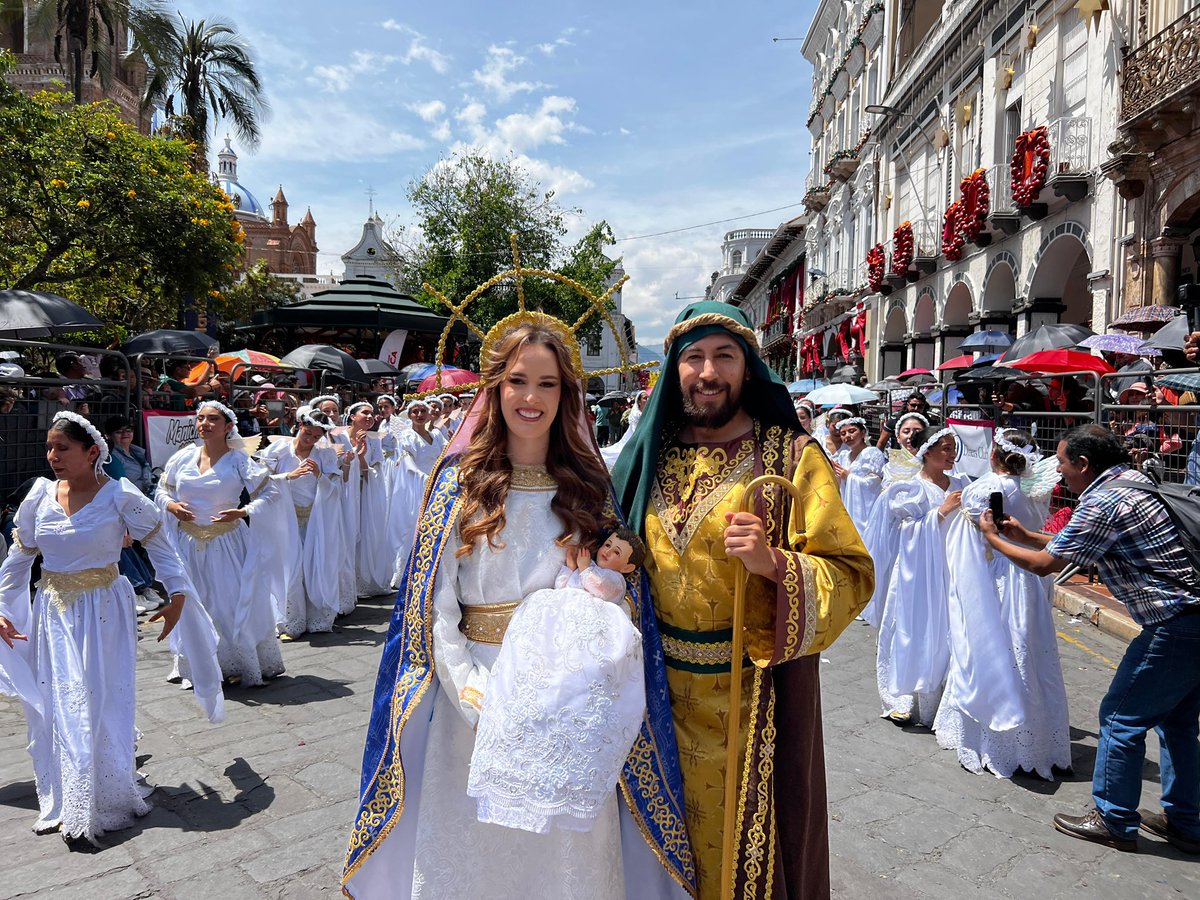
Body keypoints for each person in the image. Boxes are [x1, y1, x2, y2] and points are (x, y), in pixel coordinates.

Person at [345, 319, 693, 900]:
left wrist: (593, 641)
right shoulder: (458, 483)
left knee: (563, 862)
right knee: (476, 859)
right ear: (496, 387)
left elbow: (622, 592)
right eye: (518, 381)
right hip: (477, 698)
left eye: (548, 384)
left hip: (569, 704)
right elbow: (432, 607)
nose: (531, 397)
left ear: (566, 394)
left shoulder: (588, 486)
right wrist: (471, 691)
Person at [612, 301, 875, 899]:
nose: (708, 372)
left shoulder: (791, 456)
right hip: (651, 693)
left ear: (748, 367)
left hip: (751, 697)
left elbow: (852, 572)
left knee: (740, 851)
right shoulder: (649, 454)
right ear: (675, 370)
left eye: (724, 357)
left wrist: (774, 564)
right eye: (695, 358)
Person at [0, 412, 223, 844]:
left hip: (104, 610)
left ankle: (103, 791)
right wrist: (2, 606)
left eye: (63, 448)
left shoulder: (120, 495)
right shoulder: (39, 496)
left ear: (91, 452)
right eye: (49, 448)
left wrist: (177, 594)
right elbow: (19, 558)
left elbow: (161, 547)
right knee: (64, 698)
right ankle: (76, 799)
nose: (53, 456)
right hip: (53, 611)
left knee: (99, 698)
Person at [980, 425, 1200, 853]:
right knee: (1176, 723)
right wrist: (1024, 536)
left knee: (1119, 718)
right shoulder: (1132, 481)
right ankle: (1184, 821)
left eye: (1062, 464)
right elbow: (1080, 545)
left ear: (1083, 463)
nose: (1059, 473)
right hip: (1192, 619)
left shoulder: (1103, 501)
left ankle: (1113, 819)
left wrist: (992, 538)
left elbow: (1044, 565)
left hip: (1173, 624)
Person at [467, 527, 647, 834]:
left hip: (586, 631)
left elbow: (600, 590)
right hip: (558, 625)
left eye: (616, 552)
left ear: (628, 567)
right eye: (607, 544)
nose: (607, 551)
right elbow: (564, 585)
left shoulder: (614, 581)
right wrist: (570, 568)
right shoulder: (590, 569)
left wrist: (584, 568)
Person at [934, 429, 1071, 779]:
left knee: (994, 647)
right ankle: (1036, 739)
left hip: (997, 576)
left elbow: (970, 534)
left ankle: (998, 737)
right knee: (1031, 651)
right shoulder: (1033, 488)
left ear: (993, 453)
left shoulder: (985, 489)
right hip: (1030, 576)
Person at [155, 400, 293, 687]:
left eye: (212, 419)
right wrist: (172, 506)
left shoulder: (238, 460)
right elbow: (161, 491)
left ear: (228, 426)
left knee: (230, 603)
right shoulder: (182, 457)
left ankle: (237, 662)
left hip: (227, 542)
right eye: (201, 418)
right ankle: (200, 665)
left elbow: (270, 493)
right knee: (194, 602)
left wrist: (243, 511)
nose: (204, 424)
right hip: (188, 542)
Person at [860, 426, 966, 726]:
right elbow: (906, 532)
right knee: (911, 628)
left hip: (952, 570)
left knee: (947, 631)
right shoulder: (911, 489)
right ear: (927, 453)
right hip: (916, 573)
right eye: (945, 448)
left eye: (953, 448)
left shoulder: (961, 483)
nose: (952, 454)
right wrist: (940, 513)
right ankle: (902, 696)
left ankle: (940, 699)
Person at [260, 408, 345, 638]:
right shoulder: (278, 450)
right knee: (290, 568)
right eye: (308, 433)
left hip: (314, 520)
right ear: (299, 426)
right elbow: (259, 481)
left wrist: (320, 476)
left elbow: (335, 487)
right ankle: (290, 622)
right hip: (283, 520)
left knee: (313, 566)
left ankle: (317, 617)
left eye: (316, 437)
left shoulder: (324, 455)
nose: (310, 440)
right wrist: (288, 476)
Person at [830, 416, 885, 538]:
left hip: (867, 509)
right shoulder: (843, 456)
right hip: (847, 505)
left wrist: (849, 477)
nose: (847, 436)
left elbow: (874, 483)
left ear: (863, 433)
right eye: (843, 433)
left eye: (852, 431)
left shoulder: (872, 453)